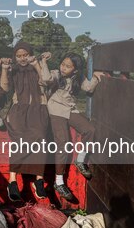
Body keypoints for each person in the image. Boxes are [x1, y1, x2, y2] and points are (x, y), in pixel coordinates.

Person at [45, 52, 105, 200]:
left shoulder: (79, 77)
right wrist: (44, 63)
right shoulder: (57, 74)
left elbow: (89, 88)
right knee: (63, 143)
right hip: (56, 109)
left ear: (76, 69)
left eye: (68, 66)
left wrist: (96, 77)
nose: (63, 68)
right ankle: (58, 182)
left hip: (70, 109)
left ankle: (80, 159)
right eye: (63, 64)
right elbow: (47, 78)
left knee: (90, 129)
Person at [3, 41, 51, 202]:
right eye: (19, 56)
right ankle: (12, 181)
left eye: (25, 55)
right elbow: (5, 88)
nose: (23, 58)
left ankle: (38, 180)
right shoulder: (13, 70)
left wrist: (37, 64)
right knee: (20, 138)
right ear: (15, 57)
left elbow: (46, 81)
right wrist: (4, 70)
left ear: (30, 55)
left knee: (41, 137)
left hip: (38, 107)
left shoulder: (37, 65)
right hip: (19, 109)